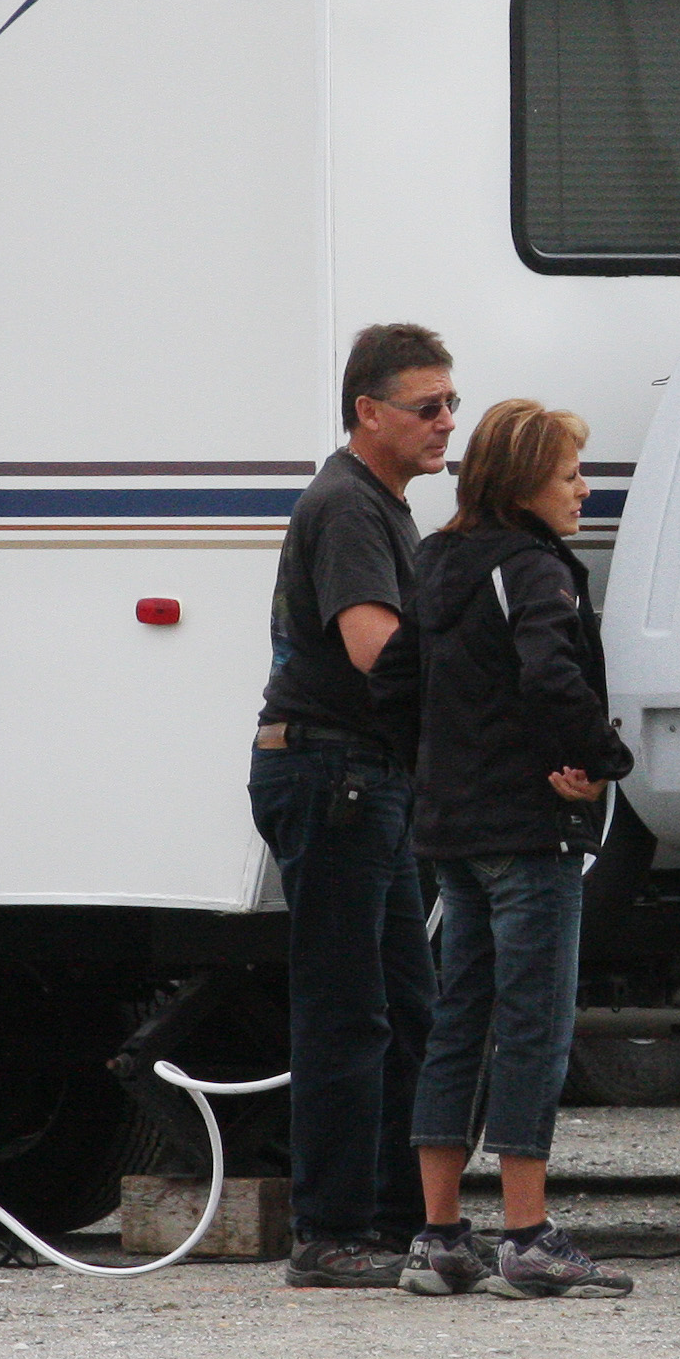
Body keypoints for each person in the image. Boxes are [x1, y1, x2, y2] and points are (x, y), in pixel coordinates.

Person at [386, 399, 638, 1299]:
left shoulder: (438, 558)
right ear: (528, 479)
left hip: (450, 828)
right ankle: (528, 1235)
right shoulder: (536, 569)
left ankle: (439, 1236)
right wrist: (597, 759)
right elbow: (549, 673)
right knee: (534, 1024)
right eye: (571, 473)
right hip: (529, 832)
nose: (584, 489)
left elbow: (395, 682)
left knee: (459, 1021)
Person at [250, 322, 457, 1289]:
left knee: (406, 1006)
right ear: (368, 411)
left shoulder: (385, 506)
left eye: (452, 404)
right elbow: (378, 650)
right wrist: (491, 707)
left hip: (368, 778)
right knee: (348, 1012)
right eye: (427, 407)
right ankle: (327, 1233)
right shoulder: (348, 507)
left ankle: (394, 1220)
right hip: (336, 778)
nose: (445, 423)